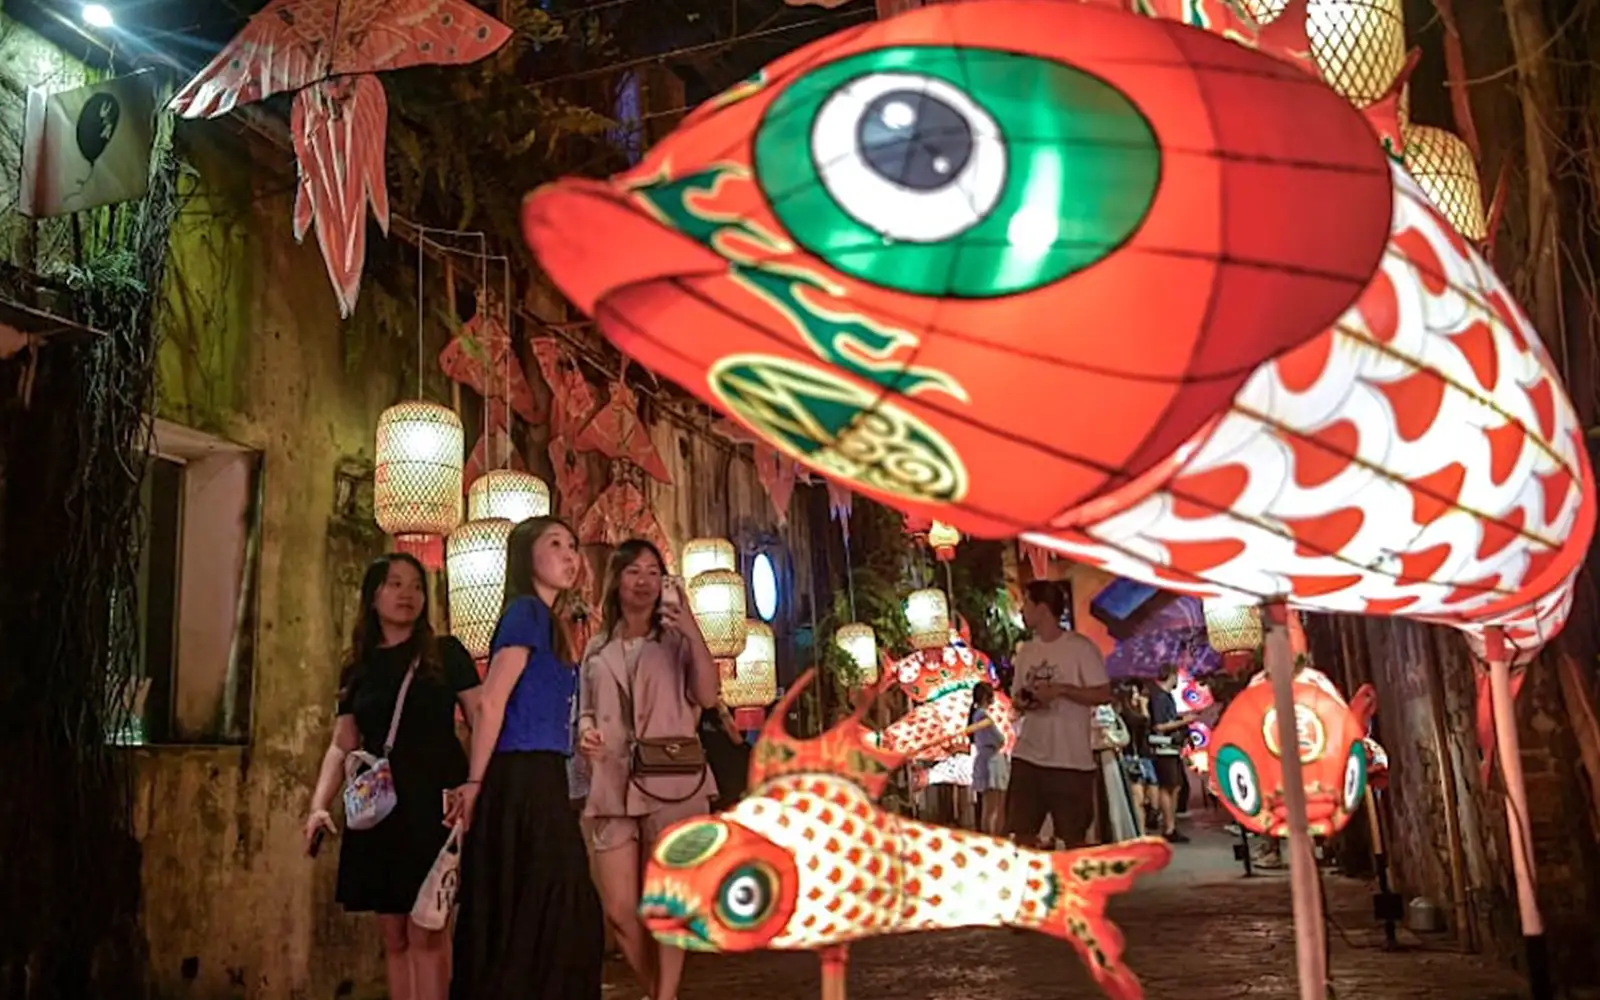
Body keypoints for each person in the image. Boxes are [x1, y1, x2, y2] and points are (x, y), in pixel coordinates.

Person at [303, 553, 482, 1000]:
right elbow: (343, 742)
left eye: (416, 586)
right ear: (373, 596)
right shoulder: (358, 666)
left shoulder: (446, 654)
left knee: (428, 928)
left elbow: (483, 720)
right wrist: (319, 805)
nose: (408, 594)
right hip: (380, 808)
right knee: (395, 935)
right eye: (395, 584)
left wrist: (476, 784)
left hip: (435, 803)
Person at [448, 517, 605, 1000]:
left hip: (546, 774)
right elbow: (491, 702)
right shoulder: (525, 613)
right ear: (525, 557)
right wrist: (475, 783)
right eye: (554, 544)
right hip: (519, 777)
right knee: (545, 902)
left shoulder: (551, 622)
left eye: (572, 545)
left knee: (553, 904)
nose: (569, 554)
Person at [578, 539, 721, 1000]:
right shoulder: (597, 647)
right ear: (616, 579)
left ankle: (664, 996)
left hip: (673, 781)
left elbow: (707, 695)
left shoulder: (677, 641)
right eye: (634, 571)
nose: (644, 581)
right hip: (612, 782)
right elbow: (585, 709)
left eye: (653, 572)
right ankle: (660, 992)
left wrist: (692, 629)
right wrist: (586, 731)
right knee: (619, 911)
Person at [1006, 580, 1113, 850]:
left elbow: (1103, 693)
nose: (1021, 610)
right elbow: (1017, 698)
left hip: (1070, 760)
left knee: (1074, 837)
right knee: (1023, 834)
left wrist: (1062, 691)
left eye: (1026, 603)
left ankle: (1074, 878)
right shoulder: (1026, 651)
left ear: (1042, 609)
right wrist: (1028, 701)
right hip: (1028, 755)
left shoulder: (1080, 648)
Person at [1148, 663, 1197, 844]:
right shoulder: (1160, 697)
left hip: (1170, 747)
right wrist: (1184, 722)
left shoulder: (1165, 696)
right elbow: (1159, 726)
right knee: (1168, 786)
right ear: (1171, 675)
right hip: (1163, 747)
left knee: (1174, 786)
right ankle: (1169, 826)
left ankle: (1170, 824)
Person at [1113, 683, 1158, 835]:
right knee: (1137, 799)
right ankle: (1140, 833)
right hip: (1132, 758)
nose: (1138, 697)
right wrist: (1144, 707)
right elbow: (1144, 722)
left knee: (1147, 798)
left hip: (1139, 758)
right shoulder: (1127, 716)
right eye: (1135, 693)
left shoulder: (1129, 713)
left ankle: (1142, 830)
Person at [969, 683, 1006, 834]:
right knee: (993, 806)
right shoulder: (983, 716)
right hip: (991, 762)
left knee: (988, 806)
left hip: (985, 760)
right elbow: (999, 739)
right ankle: (992, 835)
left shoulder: (976, 716)